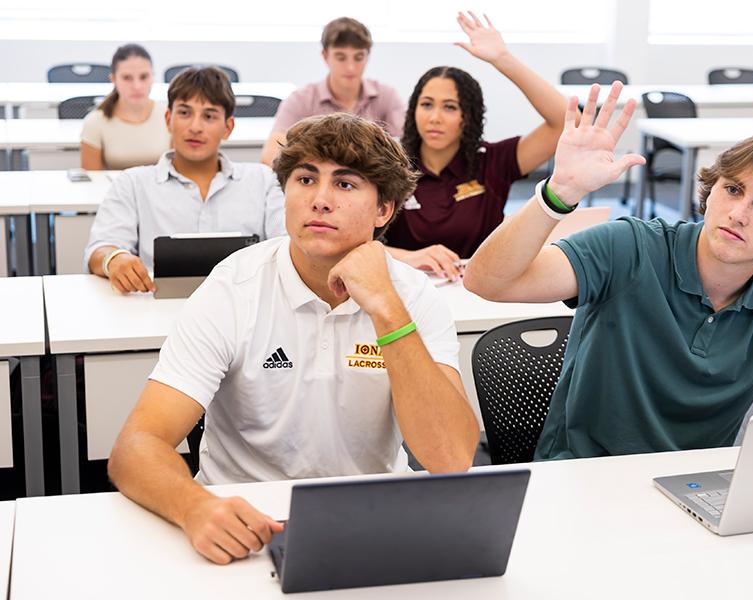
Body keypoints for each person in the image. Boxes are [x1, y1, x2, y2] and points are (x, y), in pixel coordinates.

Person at [107, 112, 479, 565]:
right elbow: (136, 447)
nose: (320, 200)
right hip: (246, 521)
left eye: (345, 184)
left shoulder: (411, 296)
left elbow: (451, 457)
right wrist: (194, 507)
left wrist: (385, 306)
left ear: (384, 210)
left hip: (372, 518)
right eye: (305, 179)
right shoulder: (234, 288)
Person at [464, 83, 753, 460]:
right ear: (710, 194)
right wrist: (559, 193)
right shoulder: (629, 247)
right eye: (732, 190)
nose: (738, 213)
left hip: (692, 490)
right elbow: (487, 281)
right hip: (581, 477)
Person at [383, 12, 567, 280]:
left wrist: (503, 59)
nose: (434, 117)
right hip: (405, 288)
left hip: (481, 289)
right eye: (426, 104)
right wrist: (410, 258)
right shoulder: (389, 163)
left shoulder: (492, 161)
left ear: (467, 116)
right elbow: (352, 245)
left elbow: (563, 122)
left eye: (449, 107)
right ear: (413, 111)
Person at [84, 66, 286, 293]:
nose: (195, 127)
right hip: (155, 309)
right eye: (184, 113)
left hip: (247, 308)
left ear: (228, 127)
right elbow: (99, 249)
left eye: (209, 116)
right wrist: (114, 259)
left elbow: (288, 247)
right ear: (168, 119)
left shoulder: (263, 181)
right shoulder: (132, 183)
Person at [260, 17, 405, 166]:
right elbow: (270, 155)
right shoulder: (300, 100)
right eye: (340, 57)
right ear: (325, 56)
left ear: (368, 56)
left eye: (358, 57)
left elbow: (406, 151)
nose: (350, 67)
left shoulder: (387, 96)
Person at [80, 44, 170, 170]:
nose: (137, 86)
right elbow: (92, 181)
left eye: (144, 77)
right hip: (113, 189)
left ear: (152, 77)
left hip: (161, 189)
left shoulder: (169, 115)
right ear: (113, 79)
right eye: (127, 78)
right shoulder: (95, 122)